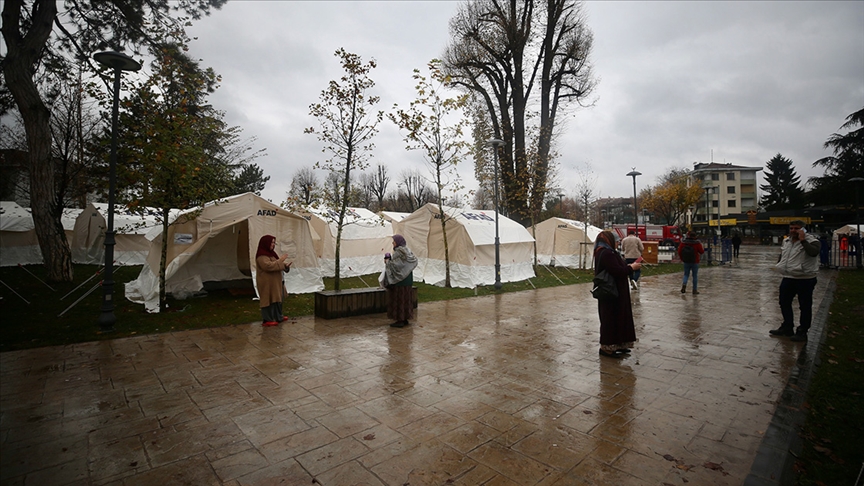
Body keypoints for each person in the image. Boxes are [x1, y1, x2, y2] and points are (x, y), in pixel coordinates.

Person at [770, 220, 820, 342]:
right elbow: (783, 255)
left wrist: (803, 240)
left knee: (805, 306)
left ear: (803, 229)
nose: (793, 230)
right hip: (788, 277)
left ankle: (802, 331)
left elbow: (813, 253)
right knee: (784, 302)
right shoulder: (786, 241)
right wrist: (780, 264)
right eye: (791, 228)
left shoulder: (813, 241)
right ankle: (787, 327)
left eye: (796, 228)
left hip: (805, 278)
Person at [594, 230, 641, 358]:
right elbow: (617, 271)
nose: (618, 243)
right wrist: (632, 268)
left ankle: (618, 344)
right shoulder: (606, 253)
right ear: (609, 241)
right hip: (612, 292)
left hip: (614, 291)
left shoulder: (605, 252)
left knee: (618, 318)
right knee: (611, 319)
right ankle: (607, 348)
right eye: (616, 241)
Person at [255, 235, 291, 327]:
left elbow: (276, 264)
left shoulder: (272, 254)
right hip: (267, 283)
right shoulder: (262, 255)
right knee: (268, 300)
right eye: (271, 242)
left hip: (275, 282)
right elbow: (268, 266)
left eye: (274, 242)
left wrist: (285, 266)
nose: (273, 244)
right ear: (265, 243)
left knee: (277, 299)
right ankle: (267, 319)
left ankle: (278, 317)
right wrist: (281, 260)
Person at [383, 234, 418, 328]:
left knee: (399, 300)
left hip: (400, 281)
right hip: (407, 280)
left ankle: (400, 320)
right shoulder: (408, 251)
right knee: (406, 300)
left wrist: (387, 261)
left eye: (394, 241)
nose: (392, 243)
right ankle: (405, 318)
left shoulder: (399, 252)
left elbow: (397, 266)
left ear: (397, 242)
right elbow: (409, 263)